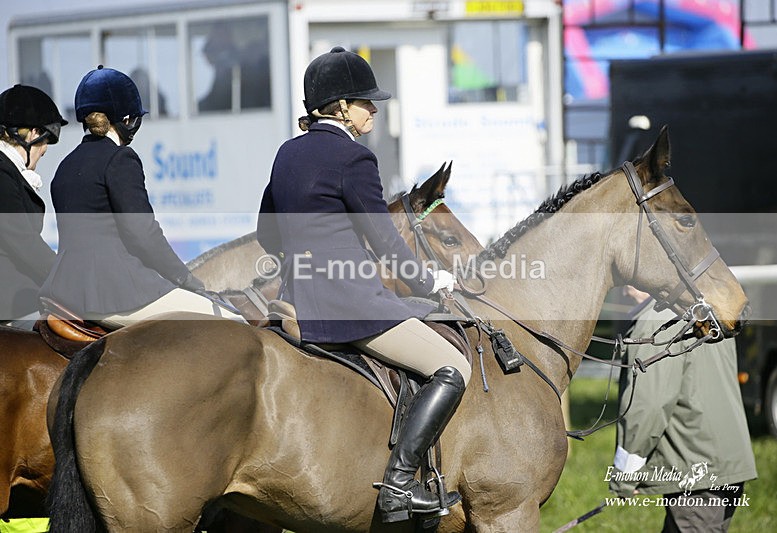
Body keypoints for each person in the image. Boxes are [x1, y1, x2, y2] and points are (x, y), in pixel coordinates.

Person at [256, 47, 472, 523]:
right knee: (452, 364)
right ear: (339, 107)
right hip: (350, 306)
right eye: (365, 101)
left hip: (295, 302)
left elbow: (266, 233)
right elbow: (385, 241)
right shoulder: (355, 158)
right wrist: (429, 282)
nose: (374, 108)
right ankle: (398, 483)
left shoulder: (286, 153)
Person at [39, 66, 240, 327]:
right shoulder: (120, 158)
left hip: (65, 291)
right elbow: (142, 232)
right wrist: (186, 280)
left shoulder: (64, 166)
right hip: (114, 293)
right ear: (129, 119)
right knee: (230, 322)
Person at [610, 286, 757, 532]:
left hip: (696, 472)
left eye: (627, 277)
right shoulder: (704, 313)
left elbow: (648, 406)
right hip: (723, 466)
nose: (623, 288)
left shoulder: (655, 323)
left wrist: (624, 476)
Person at [0, 84, 67, 325]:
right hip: (11, 303)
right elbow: (24, 243)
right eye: (45, 141)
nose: (45, 150)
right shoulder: (2, 173)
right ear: (32, 134)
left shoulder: (9, 172)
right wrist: (70, 278)